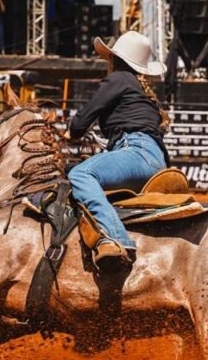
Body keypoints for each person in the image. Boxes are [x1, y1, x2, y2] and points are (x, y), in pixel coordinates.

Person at [66, 30, 168, 266]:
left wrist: (72, 132)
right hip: (152, 158)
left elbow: (81, 122)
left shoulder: (119, 78)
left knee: (81, 174)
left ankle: (114, 238)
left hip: (135, 151)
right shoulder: (139, 89)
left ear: (113, 59)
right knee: (75, 171)